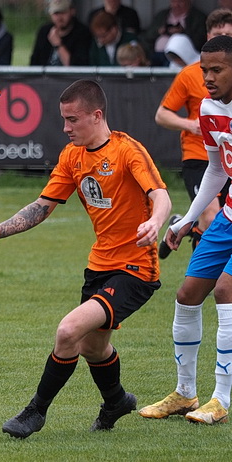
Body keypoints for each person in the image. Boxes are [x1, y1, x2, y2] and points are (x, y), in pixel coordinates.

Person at [0, 79, 172, 439]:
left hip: (136, 269)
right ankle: (117, 401)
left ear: (97, 115)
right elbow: (42, 207)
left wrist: (155, 220)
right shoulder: (72, 157)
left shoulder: (127, 151)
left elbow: (161, 195)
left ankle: (35, 413)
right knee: (94, 347)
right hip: (99, 266)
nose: (65, 127)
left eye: (72, 119)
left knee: (69, 331)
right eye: (63, 119)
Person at [138, 34, 232, 426]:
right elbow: (215, 169)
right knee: (188, 293)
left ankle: (221, 399)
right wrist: (188, 219)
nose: (207, 77)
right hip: (228, 213)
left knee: (226, 290)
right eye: (203, 69)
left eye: (217, 70)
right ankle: (184, 392)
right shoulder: (209, 108)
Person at [154, 8, 232, 261]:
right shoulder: (190, 75)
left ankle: (184, 223)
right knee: (211, 214)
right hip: (200, 156)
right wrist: (190, 125)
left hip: (227, 158)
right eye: (218, 33)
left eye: (228, 35)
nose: (209, 78)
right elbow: (161, 114)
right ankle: (207, 278)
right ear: (207, 35)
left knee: (220, 216)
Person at [142, 0, 207, 66]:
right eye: (173, 2)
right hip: (157, 54)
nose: (176, 5)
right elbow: (147, 37)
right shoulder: (162, 15)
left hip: (181, 58)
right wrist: (159, 31)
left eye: (180, 2)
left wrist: (182, 32)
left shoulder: (198, 17)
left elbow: (200, 40)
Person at [30, 0, 92, 66]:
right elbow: (34, 63)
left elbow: (77, 68)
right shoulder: (44, 31)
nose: (59, 18)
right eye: (56, 14)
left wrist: (58, 45)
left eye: (63, 12)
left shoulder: (82, 33)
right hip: (46, 76)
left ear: (72, 11)